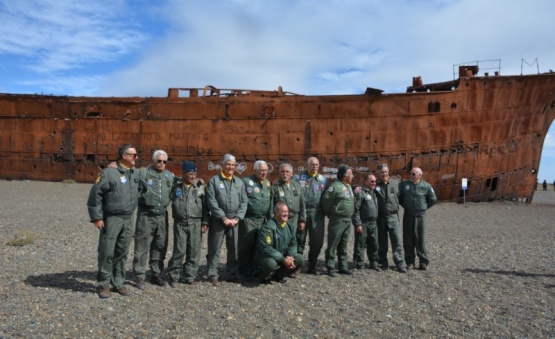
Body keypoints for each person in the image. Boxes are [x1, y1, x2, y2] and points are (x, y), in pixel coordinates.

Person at [87, 144, 140, 298]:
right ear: (124, 155)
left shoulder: (135, 173)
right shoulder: (109, 173)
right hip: (112, 218)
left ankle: (118, 283)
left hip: (129, 218)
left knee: (122, 251)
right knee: (107, 251)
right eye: (133, 155)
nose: (136, 158)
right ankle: (103, 285)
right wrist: (97, 217)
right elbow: (95, 195)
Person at [132, 150, 174, 290]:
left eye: (164, 161)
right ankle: (139, 275)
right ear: (153, 160)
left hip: (162, 215)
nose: (162, 163)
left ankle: (156, 273)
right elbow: (129, 176)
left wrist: (198, 181)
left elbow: (181, 184)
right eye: (159, 161)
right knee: (142, 245)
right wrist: (114, 165)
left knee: (160, 244)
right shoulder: (143, 173)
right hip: (146, 214)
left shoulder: (169, 176)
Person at [206, 154, 248, 286]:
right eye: (228, 164)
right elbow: (211, 201)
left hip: (234, 221)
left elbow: (244, 202)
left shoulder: (239, 182)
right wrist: (223, 217)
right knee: (214, 248)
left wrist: (237, 218)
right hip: (218, 221)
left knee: (233, 248)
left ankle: (232, 273)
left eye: (233, 165)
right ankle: (213, 274)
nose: (231, 167)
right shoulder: (214, 181)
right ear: (223, 165)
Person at [166, 161, 209, 287]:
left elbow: (206, 207)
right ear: (183, 173)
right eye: (190, 173)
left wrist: (205, 222)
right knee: (179, 250)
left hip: (196, 222)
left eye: (194, 173)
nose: (192, 176)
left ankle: (190, 276)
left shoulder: (200, 187)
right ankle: (174, 276)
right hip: (180, 222)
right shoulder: (175, 186)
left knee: (194, 250)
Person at [398, 167, 437, 270]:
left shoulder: (426, 186)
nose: (411, 175)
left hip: (420, 216)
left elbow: (433, 199)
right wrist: (407, 206)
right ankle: (410, 262)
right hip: (408, 215)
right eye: (410, 173)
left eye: (413, 174)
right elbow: (400, 198)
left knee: (420, 238)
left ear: (420, 175)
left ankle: (423, 262)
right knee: (408, 239)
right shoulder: (404, 185)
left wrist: (423, 207)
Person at [294, 157, 327, 275]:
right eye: (312, 164)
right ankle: (297, 266)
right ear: (307, 165)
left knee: (317, 241)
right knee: (299, 239)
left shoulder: (323, 180)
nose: (315, 167)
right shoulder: (298, 178)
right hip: (302, 211)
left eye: (317, 165)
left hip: (317, 213)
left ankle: (312, 266)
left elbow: (326, 196)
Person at [255, 202, 303, 284]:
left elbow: (293, 244)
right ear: (276, 213)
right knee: (271, 264)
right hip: (266, 256)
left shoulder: (289, 225)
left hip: (282, 256)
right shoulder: (268, 227)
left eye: (287, 212)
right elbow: (266, 248)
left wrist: (290, 256)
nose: (286, 214)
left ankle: (278, 276)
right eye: (283, 212)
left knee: (299, 259)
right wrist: (283, 259)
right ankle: (263, 276)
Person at [238, 160, 272, 279]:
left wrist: (270, 219)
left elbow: (270, 202)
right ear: (255, 170)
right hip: (249, 219)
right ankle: (243, 270)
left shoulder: (267, 183)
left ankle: (255, 268)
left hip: (261, 219)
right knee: (246, 245)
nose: (264, 173)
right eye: (262, 170)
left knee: (259, 245)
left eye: (266, 171)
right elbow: (242, 200)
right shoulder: (247, 182)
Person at [321, 164, 355, 277]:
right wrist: (332, 214)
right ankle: (330, 267)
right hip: (337, 220)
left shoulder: (348, 186)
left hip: (347, 220)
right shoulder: (335, 187)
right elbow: (325, 203)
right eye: (351, 174)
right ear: (345, 176)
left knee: (343, 244)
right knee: (333, 244)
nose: (352, 176)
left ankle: (343, 266)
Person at [375, 163, 408, 273]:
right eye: (382, 173)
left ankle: (400, 263)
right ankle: (383, 263)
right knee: (382, 241)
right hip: (381, 217)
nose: (384, 174)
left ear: (388, 172)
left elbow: (403, 198)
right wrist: (357, 189)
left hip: (393, 216)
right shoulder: (375, 185)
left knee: (397, 240)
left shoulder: (396, 184)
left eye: (386, 172)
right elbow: (363, 188)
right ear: (378, 174)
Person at [352, 173, 381, 271]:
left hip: (373, 223)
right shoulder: (361, 193)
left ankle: (374, 263)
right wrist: (358, 224)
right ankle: (359, 264)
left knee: (374, 244)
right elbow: (356, 209)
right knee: (360, 244)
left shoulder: (373, 193)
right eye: (372, 181)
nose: (374, 183)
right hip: (363, 223)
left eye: (375, 181)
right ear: (366, 181)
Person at [269, 163, 306, 235]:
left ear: (291, 173)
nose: (285, 173)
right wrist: (273, 221)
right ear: (279, 173)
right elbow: (271, 206)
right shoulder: (275, 187)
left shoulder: (297, 186)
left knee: (293, 239)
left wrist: (302, 220)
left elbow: (302, 204)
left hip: (295, 219)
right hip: (280, 220)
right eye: (282, 172)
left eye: (287, 171)